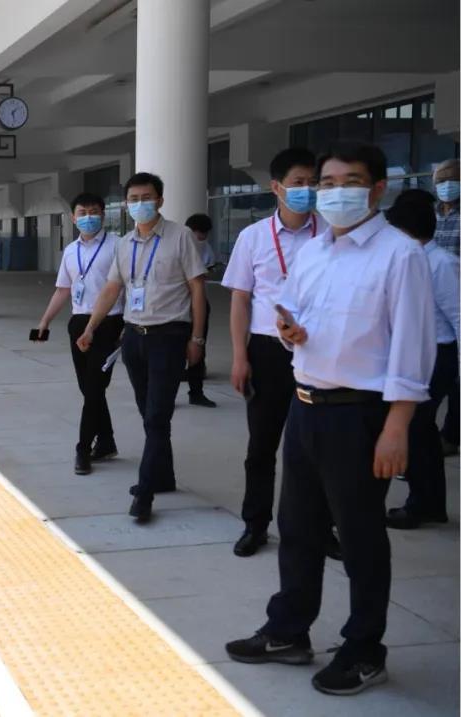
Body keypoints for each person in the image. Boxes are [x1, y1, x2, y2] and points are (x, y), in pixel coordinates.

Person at [225, 142, 436, 696]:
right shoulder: (315, 250)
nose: (336, 192)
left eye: (351, 182)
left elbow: (413, 348)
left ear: (378, 189)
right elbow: (296, 315)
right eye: (328, 183)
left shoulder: (399, 255)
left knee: (361, 537)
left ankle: (364, 650)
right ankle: (288, 630)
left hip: (360, 415)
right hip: (307, 404)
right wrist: (291, 331)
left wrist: (397, 426)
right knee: (297, 527)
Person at [77, 172, 207, 523]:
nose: (140, 204)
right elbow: (112, 289)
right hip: (133, 337)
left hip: (169, 336)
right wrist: (91, 326)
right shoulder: (124, 244)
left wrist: (197, 339)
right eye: (133, 199)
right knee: (148, 414)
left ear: (160, 200)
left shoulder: (180, 237)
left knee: (157, 416)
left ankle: (145, 491)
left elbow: (197, 289)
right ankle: (164, 475)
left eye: (146, 197)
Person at [221, 147, 323, 557]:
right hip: (266, 352)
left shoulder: (331, 233)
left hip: (319, 351)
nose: (307, 190)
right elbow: (240, 300)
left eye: (313, 183)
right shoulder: (253, 237)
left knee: (317, 448)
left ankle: (320, 528)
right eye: (299, 183)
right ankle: (255, 524)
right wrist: (240, 356)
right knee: (262, 446)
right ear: (277, 187)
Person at [34, 192, 124, 475]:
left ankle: (83, 449)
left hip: (109, 324)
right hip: (78, 323)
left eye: (94, 212)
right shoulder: (71, 250)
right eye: (82, 213)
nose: (88, 217)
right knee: (88, 388)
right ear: (73, 218)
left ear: (103, 214)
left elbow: (126, 286)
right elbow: (63, 289)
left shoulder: (118, 246)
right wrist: (45, 322)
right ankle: (106, 440)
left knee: (95, 388)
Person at [383, 189, 457, 529]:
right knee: (421, 432)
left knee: (414, 429)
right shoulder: (409, 260)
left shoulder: (441, 263)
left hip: (438, 356)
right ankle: (429, 503)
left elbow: (458, 315)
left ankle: (421, 504)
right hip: (418, 352)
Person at [433, 158, 460, 455]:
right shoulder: (433, 214)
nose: (447, 186)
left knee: (456, 381)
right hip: (432, 302)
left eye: (453, 179)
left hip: (457, 300)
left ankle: (451, 435)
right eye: (441, 181)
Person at [183, 213, 217, 408]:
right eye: (198, 233)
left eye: (204, 234)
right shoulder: (178, 245)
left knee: (198, 346)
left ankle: (196, 392)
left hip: (199, 303)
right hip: (177, 305)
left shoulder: (206, 248)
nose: (201, 237)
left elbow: (208, 271)